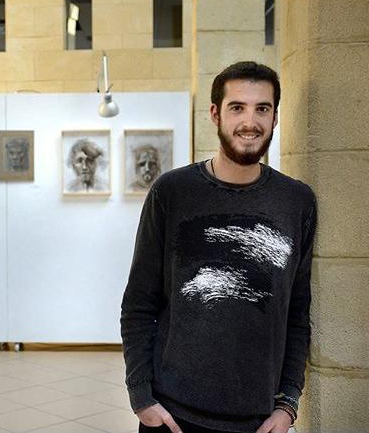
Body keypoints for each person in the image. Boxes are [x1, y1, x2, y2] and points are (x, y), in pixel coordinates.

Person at [121, 61, 317, 433]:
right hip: (173, 416)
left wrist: (288, 404)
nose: (250, 121)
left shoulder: (296, 201)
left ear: (275, 117)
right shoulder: (172, 192)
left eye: (263, 108)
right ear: (215, 114)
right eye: (237, 107)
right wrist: (141, 396)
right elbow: (139, 304)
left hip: (258, 421)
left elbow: (297, 312)